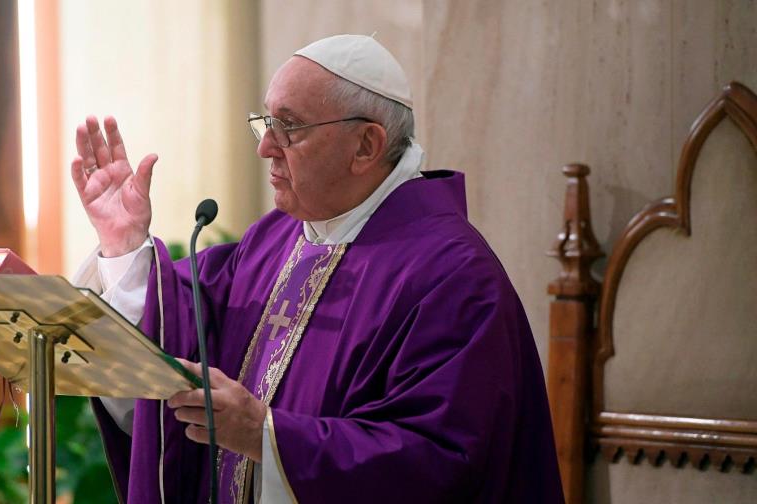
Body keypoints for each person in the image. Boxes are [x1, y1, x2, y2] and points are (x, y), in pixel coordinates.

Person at [70, 34, 563, 504]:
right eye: (265, 122)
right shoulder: (276, 239)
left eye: (289, 126)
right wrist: (124, 243)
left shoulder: (453, 278)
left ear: (366, 146)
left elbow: (437, 464)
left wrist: (265, 435)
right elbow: (179, 329)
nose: (266, 146)